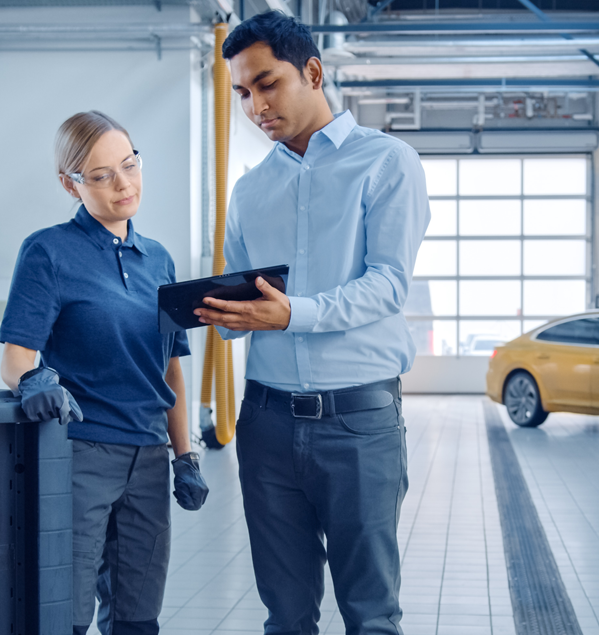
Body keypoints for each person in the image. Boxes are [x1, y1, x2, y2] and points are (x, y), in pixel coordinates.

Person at [194, 11, 429, 635]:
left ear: (313, 71)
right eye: (242, 93)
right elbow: (247, 300)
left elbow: (386, 285)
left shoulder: (387, 163)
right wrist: (221, 314)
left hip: (357, 422)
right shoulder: (249, 189)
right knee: (286, 615)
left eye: (267, 84)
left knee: (370, 614)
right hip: (266, 424)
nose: (254, 106)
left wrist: (290, 314)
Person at [0, 111, 209, 635]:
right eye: (100, 175)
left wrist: (185, 456)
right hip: (81, 454)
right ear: (70, 183)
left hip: (148, 458)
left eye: (130, 164)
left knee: (138, 616)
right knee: (65, 615)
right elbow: (15, 359)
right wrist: (35, 382)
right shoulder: (48, 251)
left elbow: (171, 371)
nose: (123, 184)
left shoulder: (158, 260)